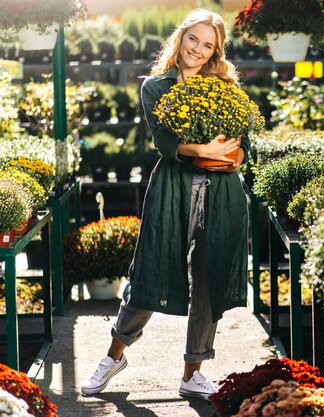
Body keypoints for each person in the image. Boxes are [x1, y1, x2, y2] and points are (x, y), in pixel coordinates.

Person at [80, 8, 250, 400]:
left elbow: (242, 147)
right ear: (182, 36)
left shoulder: (226, 87)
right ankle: (114, 356)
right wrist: (205, 149)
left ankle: (192, 373)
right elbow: (166, 143)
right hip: (173, 189)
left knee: (209, 282)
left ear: (214, 51)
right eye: (194, 39)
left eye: (208, 45)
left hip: (221, 193)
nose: (198, 49)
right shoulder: (156, 87)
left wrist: (230, 155)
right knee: (151, 271)